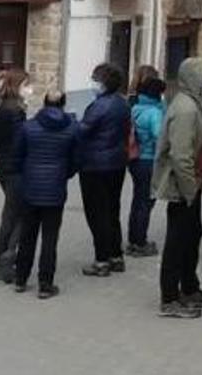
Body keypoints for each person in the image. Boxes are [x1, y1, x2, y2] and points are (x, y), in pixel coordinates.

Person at [153, 58, 202, 319]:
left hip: (192, 184)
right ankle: (170, 297)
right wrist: (190, 189)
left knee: (190, 238)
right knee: (177, 242)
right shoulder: (186, 110)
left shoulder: (192, 103)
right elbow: (181, 154)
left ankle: (190, 287)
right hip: (183, 187)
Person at [13, 91, 80, 299]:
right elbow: (75, 159)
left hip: (31, 187)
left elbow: (17, 155)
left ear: (44, 103)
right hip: (56, 189)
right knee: (50, 238)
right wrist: (64, 174)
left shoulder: (28, 127)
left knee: (27, 235)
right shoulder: (71, 128)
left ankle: (21, 278)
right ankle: (45, 283)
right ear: (63, 105)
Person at [79, 64, 131, 277]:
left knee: (96, 213)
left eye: (94, 79)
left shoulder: (99, 107)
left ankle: (102, 259)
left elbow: (84, 131)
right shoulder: (122, 103)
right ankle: (115, 254)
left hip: (95, 165)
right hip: (116, 162)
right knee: (111, 210)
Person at [0, 69, 30, 283]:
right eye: (26, 85)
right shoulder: (14, 110)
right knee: (18, 214)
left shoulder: (0, 105)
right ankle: (7, 258)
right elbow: (20, 139)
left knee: (10, 213)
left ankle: (1, 260)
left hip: (4, 165)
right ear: (18, 85)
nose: (29, 89)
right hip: (14, 167)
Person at [126, 77, 167, 258]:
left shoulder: (135, 108)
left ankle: (133, 238)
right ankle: (140, 242)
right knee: (146, 203)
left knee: (137, 200)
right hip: (149, 160)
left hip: (135, 159)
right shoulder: (154, 113)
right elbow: (160, 138)